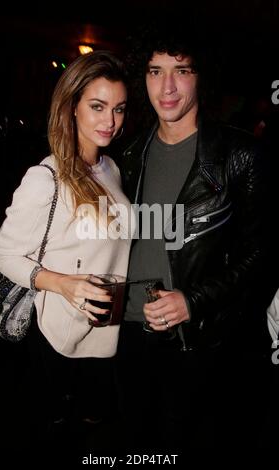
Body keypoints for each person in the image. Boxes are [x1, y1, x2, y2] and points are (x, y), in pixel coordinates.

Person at [116, 24, 270, 452]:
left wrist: (194, 300)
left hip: (197, 340)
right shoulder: (128, 155)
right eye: (154, 70)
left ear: (202, 76)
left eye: (181, 70)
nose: (166, 87)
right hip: (126, 332)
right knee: (133, 445)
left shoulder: (240, 156)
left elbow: (261, 253)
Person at [0, 50, 133, 443]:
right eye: (98, 106)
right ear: (72, 107)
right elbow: (3, 255)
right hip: (54, 335)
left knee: (96, 428)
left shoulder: (111, 167)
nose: (110, 121)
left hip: (103, 330)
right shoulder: (46, 177)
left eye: (119, 109)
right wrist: (62, 283)